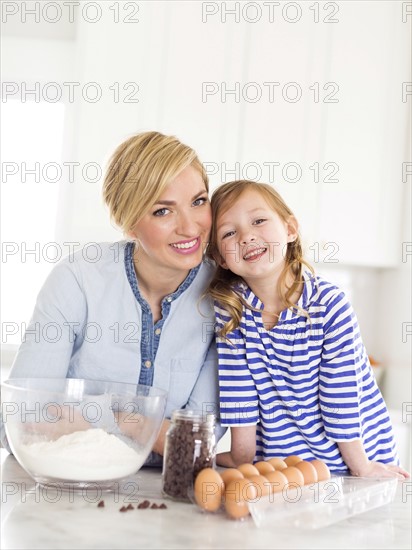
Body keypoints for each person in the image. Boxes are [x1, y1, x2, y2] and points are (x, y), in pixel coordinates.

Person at [1, 131, 224, 464]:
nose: (190, 228)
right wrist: (140, 423)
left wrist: (119, 418)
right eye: (163, 211)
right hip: (65, 484)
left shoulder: (223, 296)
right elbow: (19, 421)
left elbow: (195, 445)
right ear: (129, 224)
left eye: (198, 201)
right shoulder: (77, 280)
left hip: (161, 500)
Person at [206, 179, 409, 478]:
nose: (247, 237)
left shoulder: (329, 305)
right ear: (221, 258)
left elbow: (339, 396)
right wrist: (241, 458)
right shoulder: (233, 313)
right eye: (229, 233)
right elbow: (240, 397)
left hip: (356, 461)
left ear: (289, 229)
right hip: (288, 469)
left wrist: (362, 467)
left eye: (259, 220)